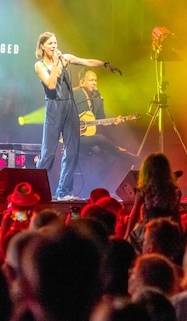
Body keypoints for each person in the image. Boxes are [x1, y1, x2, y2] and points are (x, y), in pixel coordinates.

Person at [34, 31, 122, 201]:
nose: (54, 46)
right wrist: (57, 64)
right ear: (42, 47)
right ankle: (36, 190)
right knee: (48, 152)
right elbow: (51, 85)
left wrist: (104, 64)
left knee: (72, 150)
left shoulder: (65, 58)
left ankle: (64, 191)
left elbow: (86, 61)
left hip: (70, 106)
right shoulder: (39, 66)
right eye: (50, 43)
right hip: (54, 107)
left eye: (55, 42)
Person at [73, 69, 139, 171]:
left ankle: (99, 183)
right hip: (72, 137)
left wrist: (114, 123)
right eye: (91, 80)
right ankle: (123, 153)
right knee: (100, 139)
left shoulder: (98, 99)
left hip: (88, 138)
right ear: (82, 82)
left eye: (95, 80)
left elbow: (101, 120)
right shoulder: (74, 94)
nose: (94, 83)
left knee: (108, 156)